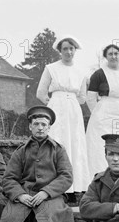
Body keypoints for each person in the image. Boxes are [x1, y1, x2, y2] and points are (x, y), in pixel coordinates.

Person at [36, 35, 89, 193]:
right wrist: (54, 104)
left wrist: (70, 103)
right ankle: (54, 186)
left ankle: (75, 187)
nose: (68, 52)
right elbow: (40, 92)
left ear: (75, 50)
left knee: (75, 144)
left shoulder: (80, 72)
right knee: (57, 142)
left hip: (73, 111)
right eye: (65, 48)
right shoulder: (51, 68)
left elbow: (82, 97)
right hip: (56, 108)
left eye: (71, 48)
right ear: (60, 51)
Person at [85, 44, 119, 177]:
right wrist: (98, 113)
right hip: (102, 113)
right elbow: (90, 97)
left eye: (116, 54)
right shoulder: (99, 74)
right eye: (110, 54)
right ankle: (96, 178)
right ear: (105, 57)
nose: (113, 56)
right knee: (99, 146)